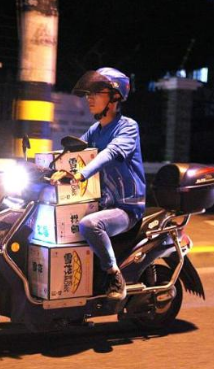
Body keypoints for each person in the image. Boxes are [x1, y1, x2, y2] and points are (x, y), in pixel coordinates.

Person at [50, 67, 146, 300]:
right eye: (88, 93)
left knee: (89, 225)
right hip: (104, 204)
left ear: (114, 97)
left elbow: (110, 153)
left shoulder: (128, 127)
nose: (89, 98)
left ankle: (115, 276)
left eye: (96, 92)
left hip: (127, 208)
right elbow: (75, 151)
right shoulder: (96, 130)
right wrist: (47, 166)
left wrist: (80, 174)